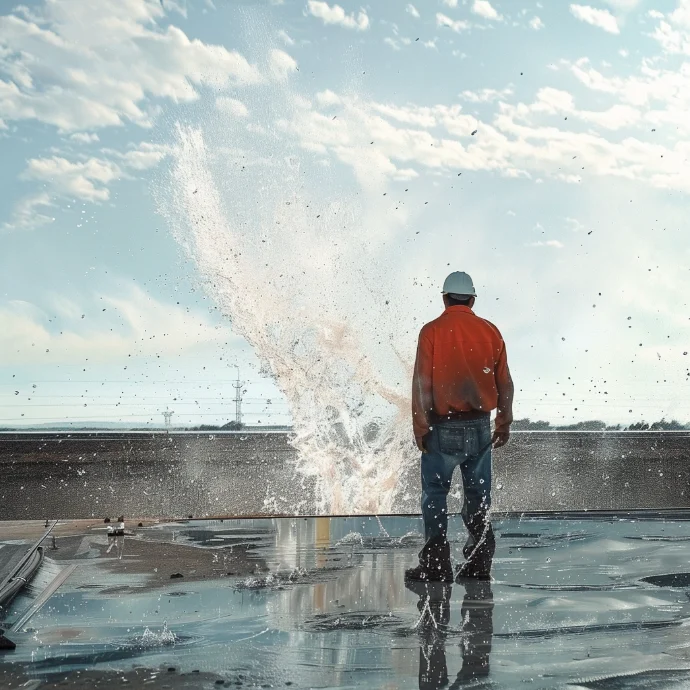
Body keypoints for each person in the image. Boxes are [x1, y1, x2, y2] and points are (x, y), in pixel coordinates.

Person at [406, 271, 514, 582]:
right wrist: (503, 421)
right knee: (478, 495)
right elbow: (504, 383)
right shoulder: (490, 331)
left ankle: (436, 565)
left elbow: (421, 383)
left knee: (435, 495)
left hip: (442, 428)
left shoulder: (431, 331)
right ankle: (480, 561)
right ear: (472, 299)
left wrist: (420, 425)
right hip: (480, 428)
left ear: (444, 298)